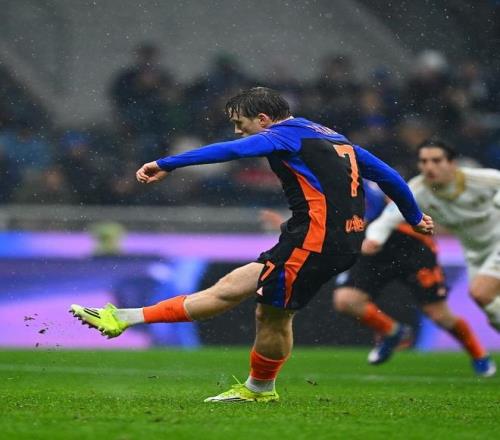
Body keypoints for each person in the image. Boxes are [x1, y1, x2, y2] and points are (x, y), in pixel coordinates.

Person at [70, 87, 433, 403]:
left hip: (314, 243)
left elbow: (232, 151)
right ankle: (123, 318)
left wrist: (167, 163)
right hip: (327, 239)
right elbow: (389, 176)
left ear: (263, 119)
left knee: (272, 316)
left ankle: (259, 389)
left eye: (240, 122)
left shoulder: (282, 135)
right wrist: (414, 216)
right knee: (230, 287)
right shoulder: (332, 137)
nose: (237, 130)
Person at [261, 185, 496, 377]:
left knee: (438, 314)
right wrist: (289, 224)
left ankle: (479, 355)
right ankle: (394, 332)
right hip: (372, 250)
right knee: (346, 301)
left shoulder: (359, 182)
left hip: (411, 249)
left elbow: (374, 212)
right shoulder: (322, 182)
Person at [365, 139, 500, 335]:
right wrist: (374, 238)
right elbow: (388, 218)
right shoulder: (417, 190)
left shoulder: (482, 179)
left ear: (452, 163)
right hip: (474, 254)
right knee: (490, 310)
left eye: (436, 161)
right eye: (424, 161)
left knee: (480, 292)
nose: (429, 167)